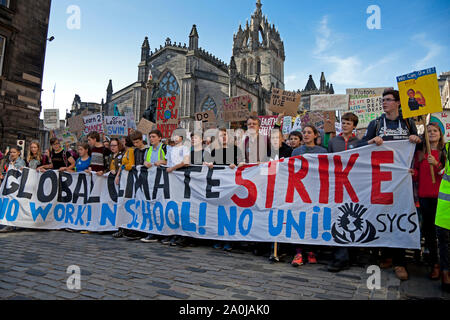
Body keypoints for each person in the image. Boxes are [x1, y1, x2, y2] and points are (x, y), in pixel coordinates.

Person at [358, 88, 421, 281]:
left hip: (402, 181)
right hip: (380, 180)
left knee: (400, 217)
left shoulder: (408, 123)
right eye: (383, 100)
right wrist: (371, 140)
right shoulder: (376, 123)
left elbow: (418, 149)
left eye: (388, 100)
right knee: (382, 217)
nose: (384, 103)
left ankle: (400, 262)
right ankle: (386, 255)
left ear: (398, 103)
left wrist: (416, 140)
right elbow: (359, 147)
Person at [411, 123, 446, 280]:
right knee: (430, 233)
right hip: (425, 197)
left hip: (443, 199)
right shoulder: (420, 153)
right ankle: (435, 265)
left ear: (440, 133)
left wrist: (437, 165)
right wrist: (413, 173)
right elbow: (417, 175)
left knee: (444, 235)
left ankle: (446, 267)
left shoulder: (445, 153)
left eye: (434, 131)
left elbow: (445, 173)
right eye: (428, 131)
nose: (431, 133)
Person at [327, 112, 360, 272]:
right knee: (338, 219)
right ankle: (340, 257)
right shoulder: (333, 142)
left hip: (354, 187)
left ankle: (350, 255)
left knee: (351, 218)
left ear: (354, 126)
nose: (345, 125)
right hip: (337, 186)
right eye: (343, 122)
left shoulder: (360, 143)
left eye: (348, 123)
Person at [290, 125, 327, 266]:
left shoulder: (322, 151)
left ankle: (311, 250)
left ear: (316, 135)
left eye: (309, 132)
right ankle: (299, 252)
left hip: (316, 191)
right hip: (299, 190)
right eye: (304, 132)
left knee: (313, 220)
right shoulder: (296, 151)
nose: (306, 135)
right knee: (299, 220)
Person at [206, 128, 242, 252]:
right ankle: (218, 238)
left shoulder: (236, 149)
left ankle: (229, 240)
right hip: (218, 186)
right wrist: (209, 164)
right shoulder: (215, 151)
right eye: (221, 135)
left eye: (225, 135)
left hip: (231, 186)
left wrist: (236, 165)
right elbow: (206, 163)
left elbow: (243, 164)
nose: (224, 137)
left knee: (230, 212)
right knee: (219, 212)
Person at [162, 130, 190, 246]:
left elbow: (186, 162)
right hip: (171, 180)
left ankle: (183, 235)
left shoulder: (185, 148)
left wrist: (173, 168)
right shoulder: (170, 149)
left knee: (182, 207)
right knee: (171, 206)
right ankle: (173, 233)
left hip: (182, 179)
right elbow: (167, 161)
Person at [140, 129, 167, 243]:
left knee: (163, 206)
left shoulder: (165, 148)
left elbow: (169, 161)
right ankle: (153, 231)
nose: (151, 139)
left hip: (163, 181)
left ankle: (164, 232)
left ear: (160, 138)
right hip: (152, 181)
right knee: (152, 206)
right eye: (150, 137)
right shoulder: (149, 149)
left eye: (154, 137)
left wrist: (162, 162)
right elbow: (145, 162)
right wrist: (145, 163)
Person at [0, 145, 26, 233]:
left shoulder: (20, 162)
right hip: (10, 186)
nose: (12, 154)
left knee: (13, 204)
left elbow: (18, 173)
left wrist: (13, 166)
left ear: (18, 153)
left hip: (16, 187)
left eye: (14, 152)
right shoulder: (10, 160)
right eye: (11, 152)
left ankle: (11, 225)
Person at [435, 140, 450, 291]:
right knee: (444, 243)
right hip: (445, 207)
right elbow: (442, 171)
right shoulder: (447, 148)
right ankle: (446, 274)